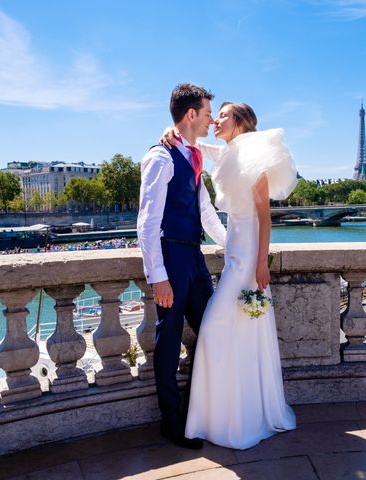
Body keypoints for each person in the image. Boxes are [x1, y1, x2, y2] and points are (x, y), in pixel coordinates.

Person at [161, 101, 298, 449]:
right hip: (236, 252)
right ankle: (232, 413)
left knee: (213, 330)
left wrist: (261, 263)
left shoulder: (255, 159)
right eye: (215, 114)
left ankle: (228, 416)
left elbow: (265, 216)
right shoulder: (230, 154)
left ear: (239, 121)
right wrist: (172, 132)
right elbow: (194, 144)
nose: (215, 120)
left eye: (222, 115)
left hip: (249, 256)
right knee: (235, 333)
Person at [137, 84, 226, 450]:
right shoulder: (159, 158)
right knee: (170, 342)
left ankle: (196, 413)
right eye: (207, 113)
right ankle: (172, 423)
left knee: (214, 333)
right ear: (191, 114)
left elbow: (204, 210)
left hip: (193, 256)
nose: (210, 119)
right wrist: (158, 277)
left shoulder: (191, 155)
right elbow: (146, 223)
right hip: (171, 258)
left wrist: (231, 246)